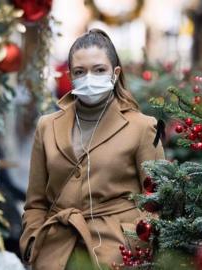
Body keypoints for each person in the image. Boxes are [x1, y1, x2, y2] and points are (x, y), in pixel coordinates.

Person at [19, 29, 164, 270]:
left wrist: (136, 247)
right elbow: (35, 203)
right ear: (71, 76)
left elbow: (156, 203)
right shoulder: (47, 126)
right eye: (80, 72)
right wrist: (33, 242)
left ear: (115, 73)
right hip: (55, 253)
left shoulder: (143, 127)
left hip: (114, 254)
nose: (89, 78)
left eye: (99, 70)